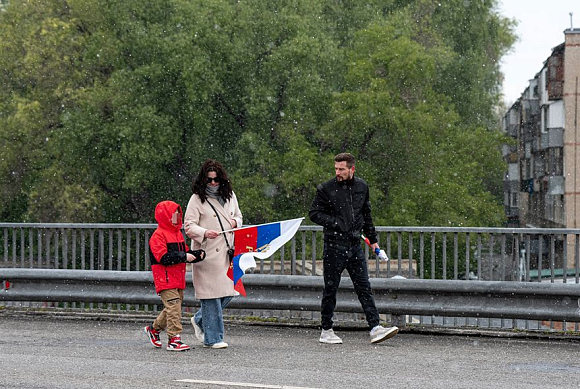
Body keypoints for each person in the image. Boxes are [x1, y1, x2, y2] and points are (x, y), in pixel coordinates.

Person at [309, 152, 399, 344]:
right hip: (334, 245)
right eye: (336, 169)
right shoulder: (326, 188)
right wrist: (336, 223)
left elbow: (366, 213)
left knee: (364, 286)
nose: (338, 172)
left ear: (352, 169)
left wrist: (373, 240)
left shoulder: (362, 186)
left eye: (341, 169)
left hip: (355, 245)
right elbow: (314, 213)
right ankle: (326, 330)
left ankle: (375, 327)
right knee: (331, 288)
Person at [184, 159, 243, 349]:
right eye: (209, 180)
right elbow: (189, 226)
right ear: (203, 180)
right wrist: (204, 232)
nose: (213, 183)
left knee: (229, 292)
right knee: (211, 296)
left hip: (227, 250)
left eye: (216, 179)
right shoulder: (196, 199)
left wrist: (235, 223)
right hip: (207, 252)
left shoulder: (230, 195)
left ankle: (200, 319)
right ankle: (213, 338)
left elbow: (239, 216)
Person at [143, 200, 206, 351]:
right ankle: (174, 339)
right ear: (165, 216)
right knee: (173, 308)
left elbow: (184, 252)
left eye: (178, 214)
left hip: (177, 278)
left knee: (173, 307)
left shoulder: (177, 234)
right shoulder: (158, 236)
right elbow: (163, 258)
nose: (177, 217)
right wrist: (185, 256)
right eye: (174, 214)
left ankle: (154, 329)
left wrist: (197, 255)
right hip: (165, 279)